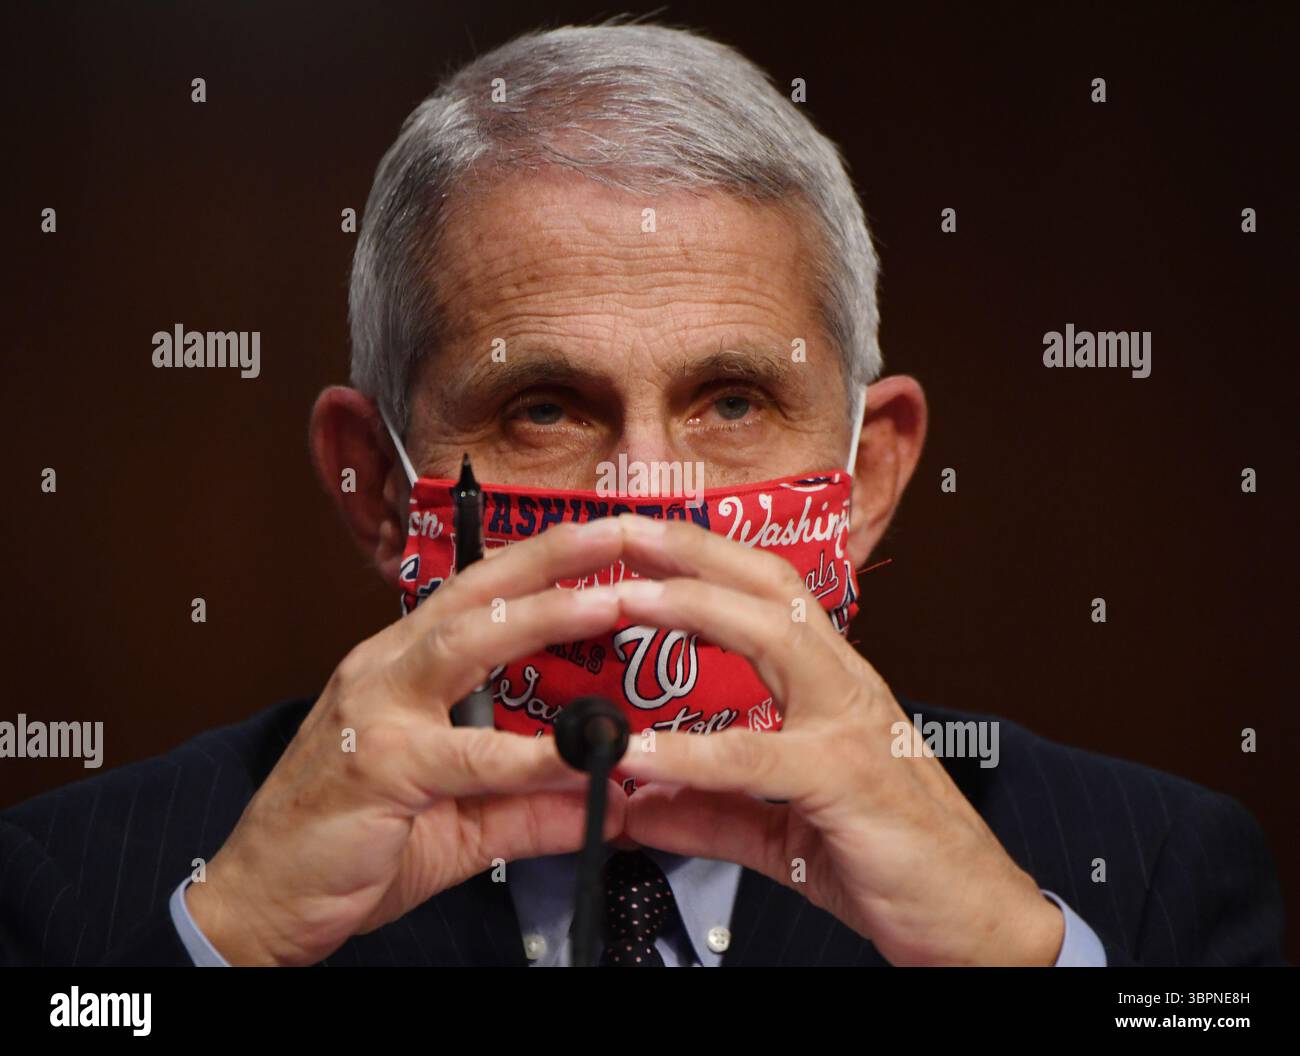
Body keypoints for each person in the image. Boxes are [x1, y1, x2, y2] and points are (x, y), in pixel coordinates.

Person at [0, 21, 1285, 968]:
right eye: (543, 407)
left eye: (732, 402)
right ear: (378, 488)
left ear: (868, 474)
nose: (645, 496)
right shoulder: (67, 897)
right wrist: (210, 955)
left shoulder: (1150, 878)